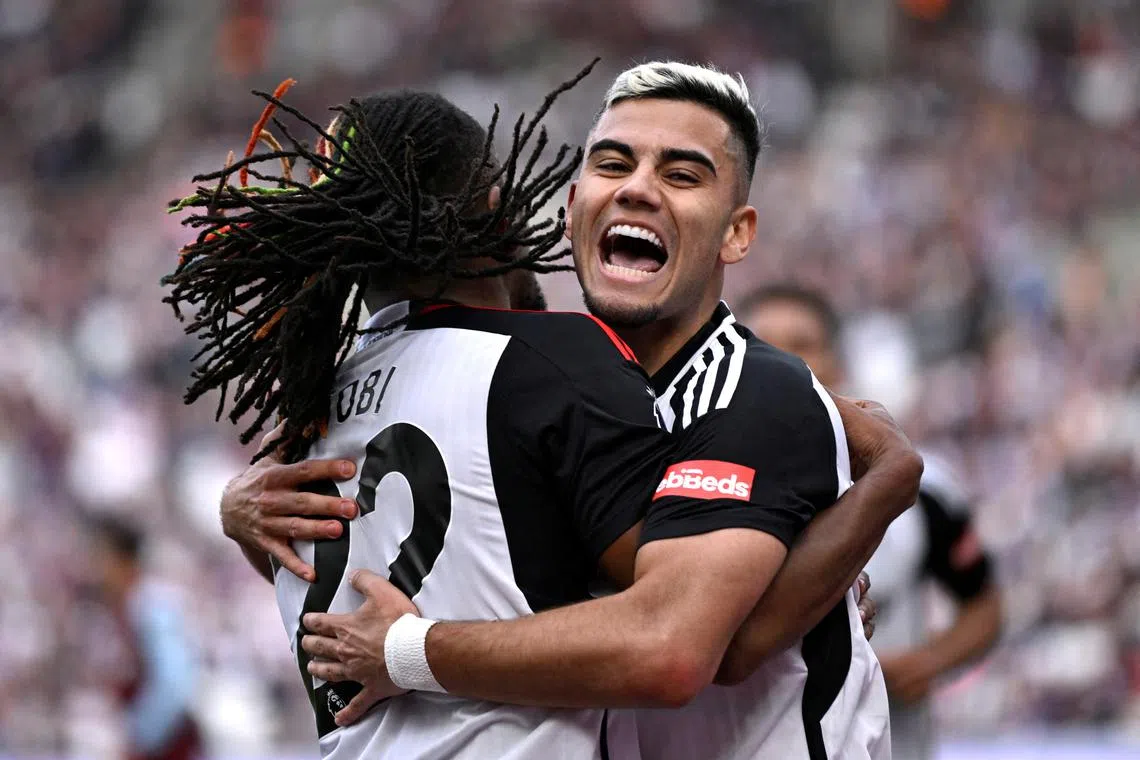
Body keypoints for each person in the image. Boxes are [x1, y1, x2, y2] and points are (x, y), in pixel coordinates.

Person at [189, 64, 921, 759]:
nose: (637, 189)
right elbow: (691, 639)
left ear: (736, 230)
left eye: (681, 174)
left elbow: (678, 639)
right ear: (551, 211)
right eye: (610, 164)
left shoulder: (317, 402)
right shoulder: (551, 371)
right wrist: (870, 495)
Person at [738, 283, 1003, 760]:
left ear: (837, 362)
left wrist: (929, 662)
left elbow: (985, 607)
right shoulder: (700, 486)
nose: (781, 361)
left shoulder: (920, 487)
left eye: (801, 344)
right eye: (762, 344)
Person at [89, 515, 202, 760]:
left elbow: (173, 685)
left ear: (124, 560)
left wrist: (138, 736)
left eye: (102, 558)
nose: (95, 569)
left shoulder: (153, 610)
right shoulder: (123, 610)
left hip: (167, 749)